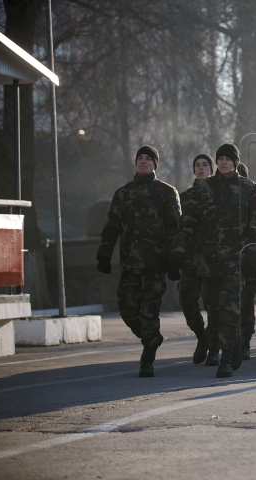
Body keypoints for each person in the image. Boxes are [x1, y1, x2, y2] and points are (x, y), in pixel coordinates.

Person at [172, 143, 256, 378]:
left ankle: (225, 358)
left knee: (229, 309)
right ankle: (230, 342)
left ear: (235, 161)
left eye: (228, 158)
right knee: (213, 309)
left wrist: (255, 257)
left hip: (236, 261)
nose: (223, 162)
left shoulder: (250, 188)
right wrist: (179, 251)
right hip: (207, 261)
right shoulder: (203, 189)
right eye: (220, 158)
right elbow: (188, 223)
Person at [97, 146, 181, 377]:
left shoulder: (166, 192)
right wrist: (104, 254)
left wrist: (171, 258)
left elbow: (175, 228)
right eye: (140, 158)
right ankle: (152, 338)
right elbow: (112, 226)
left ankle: (147, 360)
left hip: (155, 264)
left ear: (155, 164)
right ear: (136, 163)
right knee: (126, 310)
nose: (143, 162)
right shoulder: (123, 193)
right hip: (130, 264)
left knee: (149, 311)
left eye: (148, 159)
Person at [177, 154, 217, 365]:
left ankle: (213, 347)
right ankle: (202, 337)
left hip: (213, 260)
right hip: (191, 260)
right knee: (186, 301)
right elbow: (178, 228)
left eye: (205, 165)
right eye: (197, 165)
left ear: (211, 169)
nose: (201, 168)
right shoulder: (184, 197)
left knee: (213, 305)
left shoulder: (219, 195)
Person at [234, 161, 256, 360]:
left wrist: (255, 256)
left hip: (248, 260)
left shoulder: (252, 195)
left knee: (246, 302)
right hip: (226, 261)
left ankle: (245, 341)